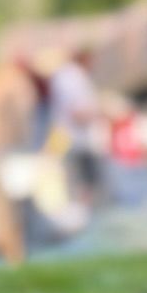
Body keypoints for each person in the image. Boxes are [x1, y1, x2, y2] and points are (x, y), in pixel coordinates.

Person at [48, 50, 106, 203]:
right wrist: (101, 113)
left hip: (69, 139)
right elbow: (77, 112)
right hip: (77, 140)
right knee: (84, 188)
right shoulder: (73, 77)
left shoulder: (62, 76)